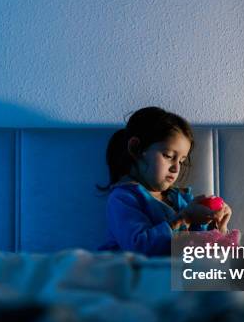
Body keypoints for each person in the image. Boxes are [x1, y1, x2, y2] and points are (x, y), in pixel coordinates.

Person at [97, 106, 233, 256]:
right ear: (136, 149)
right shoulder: (123, 199)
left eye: (181, 161)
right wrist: (184, 218)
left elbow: (199, 250)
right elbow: (139, 247)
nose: (176, 168)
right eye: (168, 156)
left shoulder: (181, 199)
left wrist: (217, 226)